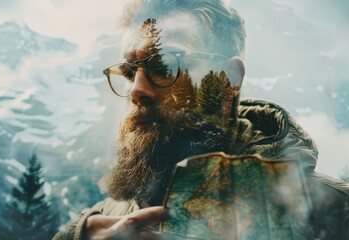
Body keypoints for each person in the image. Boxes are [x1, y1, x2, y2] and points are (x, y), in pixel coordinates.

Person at [53, 0, 349, 239]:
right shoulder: (106, 220)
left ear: (229, 78)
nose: (136, 90)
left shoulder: (334, 214)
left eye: (165, 64)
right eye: (130, 72)